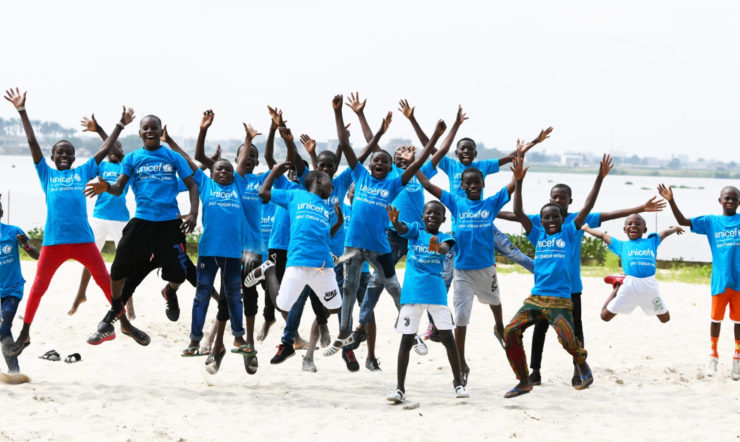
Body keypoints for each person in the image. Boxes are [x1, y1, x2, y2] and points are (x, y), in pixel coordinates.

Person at [3, 88, 135, 356]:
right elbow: (32, 142)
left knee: (104, 280)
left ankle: (124, 324)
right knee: (38, 288)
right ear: (52, 158)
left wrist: (120, 124)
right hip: (54, 242)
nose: (63, 156)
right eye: (59, 153)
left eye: (68, 153)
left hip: (83, 241)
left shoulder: (84, 171)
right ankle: (25, 335)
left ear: (75, 158)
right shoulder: (46, 175)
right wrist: (21, 111)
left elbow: (105, 148)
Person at [498, 189, 666, 386]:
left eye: (562, 197)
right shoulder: (544, 220)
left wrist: (640, 208)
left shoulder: (573, 224)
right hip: (544, 290)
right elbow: (516, 215)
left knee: (574, 330)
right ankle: (535, 371)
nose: (557, 200)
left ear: (570, 200)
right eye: (554, 197)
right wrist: (490, 209)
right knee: (539, 329)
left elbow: (607, 214)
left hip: (572, 287)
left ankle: (578, 370)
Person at [324, 96, 444, 356]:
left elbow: (416, 164)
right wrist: (338, 113)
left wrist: (434, 137)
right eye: (375, 161)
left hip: (380, 246)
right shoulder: (360, 176)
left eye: (384, 163)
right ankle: (344, 333)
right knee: (349, 287)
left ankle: (411, 333)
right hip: (354, 244)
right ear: (369, 166)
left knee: (393, 287)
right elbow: (345, 145)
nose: (379, 164)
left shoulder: (393, 183)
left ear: (390, 168)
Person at [83, 110, 200, 346]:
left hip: (169, 224)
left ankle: (170, 292)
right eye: (145, 128)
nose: (149, 131)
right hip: (142, 223)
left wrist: (194, 213)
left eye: (153, 127)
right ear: (140, 133)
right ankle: (111, 317)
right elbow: (118, 189)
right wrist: (106, 187)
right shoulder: (132, 158)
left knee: (180, 273)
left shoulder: (172, 157)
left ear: (160, 131)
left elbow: (192, 184)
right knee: (118, 271)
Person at [503, 154, 612, 398]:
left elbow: (588, 206)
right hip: (536, 298)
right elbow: (518, 211)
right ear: (541, 222)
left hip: (561, 300)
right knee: (510, 331)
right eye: (546, 218)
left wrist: (599, 177)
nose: (551, 221)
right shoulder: (538, 235)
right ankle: (524, 380)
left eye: (555, 217)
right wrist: (518, 181)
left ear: (564, 219)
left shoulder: (570, 233)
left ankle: (582, 363)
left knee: (568, 341)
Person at [418, 145, 517, 388]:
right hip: (462, 271)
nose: (473, 185)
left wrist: (518, 174)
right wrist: (415, 166)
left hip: (486, 269)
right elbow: (430, 186)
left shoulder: (491, 204)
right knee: (460, 319)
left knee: (495, 302)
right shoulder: (455, 202)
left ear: (483, 184)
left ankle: (499, 327)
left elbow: (511, 187)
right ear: (461, 186)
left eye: (477, 182)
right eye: (468, 183)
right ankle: (461, 365)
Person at [385, 203, 468, 403]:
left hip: (436, 295)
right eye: (429, 213)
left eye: (437, 214)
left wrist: (437, 248)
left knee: (448, 339)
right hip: (413, 295)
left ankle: (458, 384)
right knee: (406, 341)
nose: (432, 216)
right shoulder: (416, 232)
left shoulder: (446, 237)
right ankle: (399, 389)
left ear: (443, 219)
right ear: (422, 216)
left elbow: (443, 249)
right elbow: (403, 230)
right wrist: (396, 222)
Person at [658, 183, 740, 379]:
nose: (730, 201)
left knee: (738, 321)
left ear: (739, 202)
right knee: (715, 320)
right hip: (720, 280)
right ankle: (713, 355)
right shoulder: (711, 221)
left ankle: (737, 358)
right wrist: (671, 200)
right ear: (720, 201)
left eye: (734, 198)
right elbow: (683, 220)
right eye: (726, 198)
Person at [258, 162, 344, 320]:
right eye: (329, 182)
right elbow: (263, 192)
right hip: (299, 261)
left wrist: (339, 222)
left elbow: (325, 238)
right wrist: (275, 170)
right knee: (282, 306)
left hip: (323, 265)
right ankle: (269, 270)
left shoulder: (325, 208)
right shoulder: (294, 195)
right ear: (317, 180)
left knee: (336, 307)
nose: (332, 185)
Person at [69, 114, 134, 318]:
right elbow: (82, 173)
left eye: (119, 149)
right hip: (98, 217)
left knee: (125, 263)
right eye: (113, 149)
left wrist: (101, 130)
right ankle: (80, 294)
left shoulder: (127, 167)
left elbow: (112, 148)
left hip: (120, 219)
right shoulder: (101, 166)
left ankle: (129, 303)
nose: (115, 152)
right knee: (90, 258)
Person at [581, 216, 683, 323]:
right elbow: (602, 235)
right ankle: (618, 286)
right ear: (625, 229)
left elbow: (665, 233)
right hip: (629, 285)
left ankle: (619, 282)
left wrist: (675, 228)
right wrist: (587, 228)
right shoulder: (621, 245)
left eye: (638, 224)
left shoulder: (652, 241)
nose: (633, 226)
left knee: (665, 319)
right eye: (629, 224)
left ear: (645, 229)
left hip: (650, 286)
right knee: (605, 316)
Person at [0, 198, 39, 376]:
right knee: (5, 330)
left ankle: (15, 356)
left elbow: (36, 255)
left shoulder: (13, 231)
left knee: (4, 324)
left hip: (12, 289)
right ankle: (14, 371)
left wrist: (26, 245)